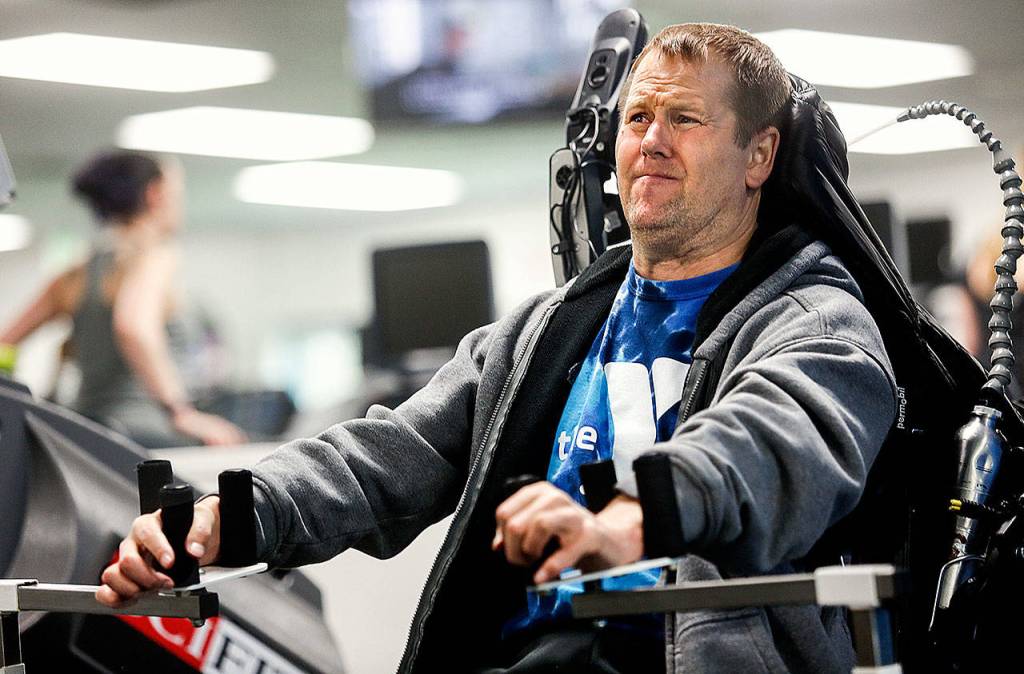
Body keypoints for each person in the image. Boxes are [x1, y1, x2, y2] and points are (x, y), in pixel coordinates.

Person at [97, 23, 897, 673]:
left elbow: (771, 443)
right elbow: (383, 459)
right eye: (637, 118)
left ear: (759, 155)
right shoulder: (541, 334)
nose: (651, 141)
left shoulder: (817, 326)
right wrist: (227, 518)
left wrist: (631, 517)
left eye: (684, 119)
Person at [0, 150, 245, 448]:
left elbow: (4, 343)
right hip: (146, 434)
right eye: (177, 192)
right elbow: (133, 327)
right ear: (155, 194)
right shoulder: (154, 255)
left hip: (87, 431)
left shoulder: (75, 273)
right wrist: (181, 412)